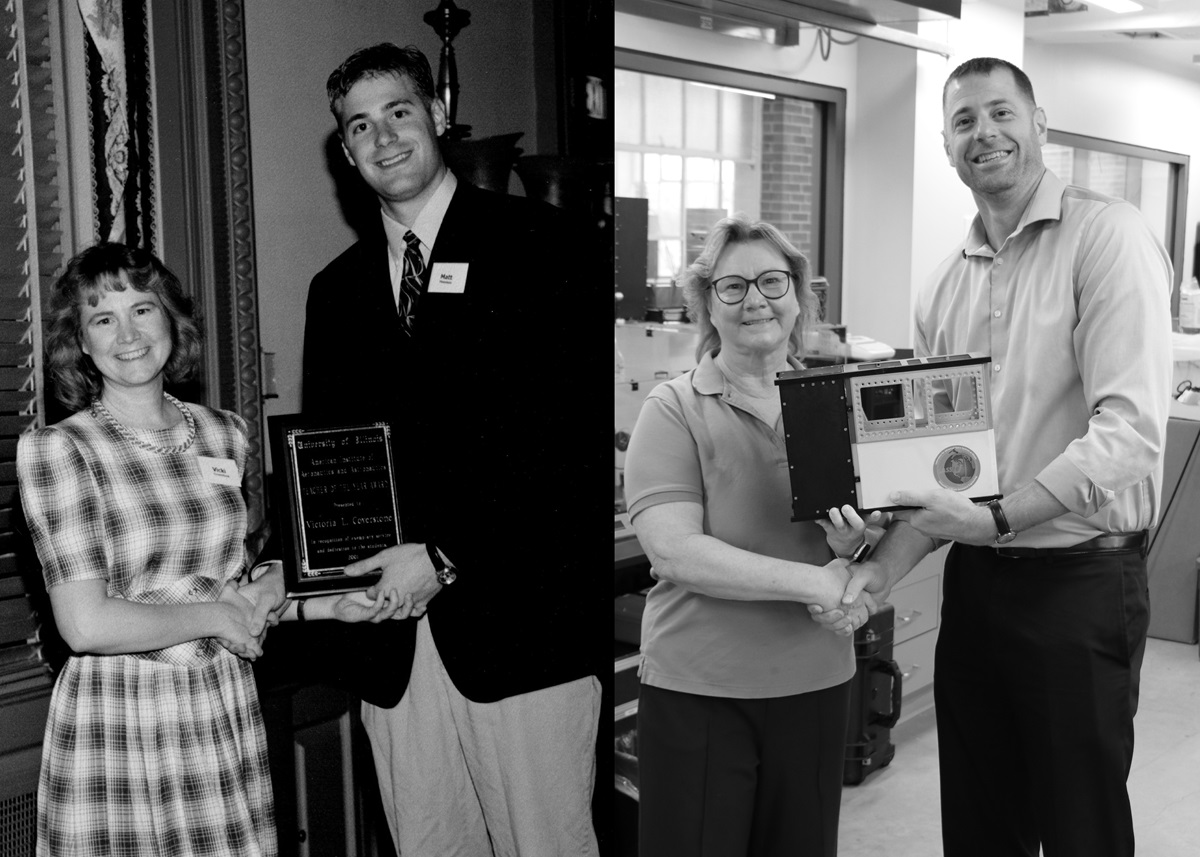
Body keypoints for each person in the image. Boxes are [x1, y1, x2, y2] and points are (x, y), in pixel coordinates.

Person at [827, 57, 1173, 856]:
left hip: (1080, 580)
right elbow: (940, 472)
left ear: (1039, 123)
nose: (984, 133)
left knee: (1079, 823)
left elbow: (1128, 430)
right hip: (980, 587)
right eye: (963, 121)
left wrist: (999, 516)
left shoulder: (1106, 235)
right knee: (981, 817)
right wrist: (873, 573)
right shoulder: (943, 285)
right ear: (948, 148)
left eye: (1000, 113)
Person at [294, 42, 602, 856]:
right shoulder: (336, 291)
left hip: (522, 627)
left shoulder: (546, 244)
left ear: (437, 116)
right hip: (392, 640)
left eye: (399, 112)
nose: (383, 137)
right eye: (359, 126)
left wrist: (446, 551)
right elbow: (332, 461)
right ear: (347, 151)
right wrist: (313, 572)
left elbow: (566, 443)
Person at [622, 215, 881, 857]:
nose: (755, 300)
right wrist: (818, 582)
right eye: (732, 287)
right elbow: (675, 550)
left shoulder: (840, 404)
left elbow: (869, 537)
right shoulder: (674, 408)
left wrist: (854, 547)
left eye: (771, 280)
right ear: (707, 304)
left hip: (816, 682)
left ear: (798, 294)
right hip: (701, 689)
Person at [16, 242, 280, 857]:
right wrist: (222, 615)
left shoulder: (224, 432)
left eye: (142, 309)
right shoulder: (59, 451)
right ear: (80, 342)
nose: (127, 334)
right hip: (123, 713)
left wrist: (281, 588)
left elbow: (223, 576)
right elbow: (85, 624)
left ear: (171, 320)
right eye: (102, 318)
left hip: (222, 701)